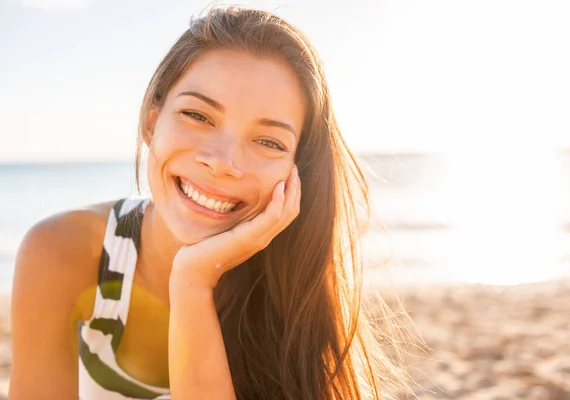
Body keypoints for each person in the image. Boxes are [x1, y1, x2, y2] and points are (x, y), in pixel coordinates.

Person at [9, 5, 411, 399]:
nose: (223, 163)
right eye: (197, 116)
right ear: (152, 122)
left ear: (297, 171)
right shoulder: (64, 252)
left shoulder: (294, 285)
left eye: (268, 141)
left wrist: (192, 282)